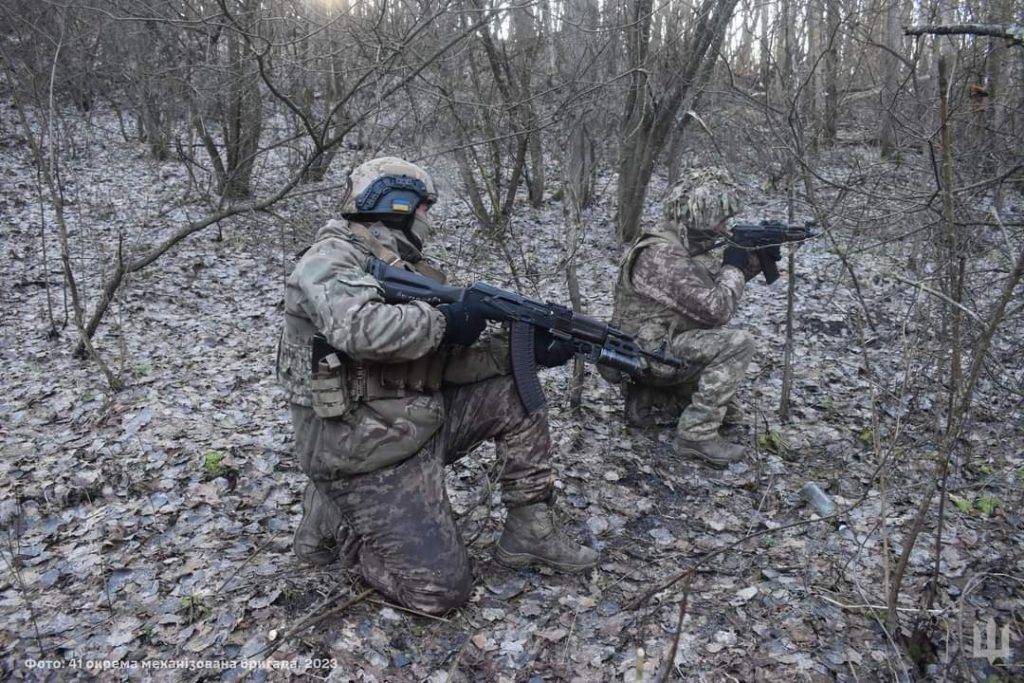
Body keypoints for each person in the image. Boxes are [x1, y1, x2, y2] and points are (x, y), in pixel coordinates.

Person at [276, 157, 597, 615]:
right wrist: (445, 321)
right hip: (356, 449)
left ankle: (531, 529)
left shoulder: (411, 269)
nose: (428, 218)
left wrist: (520, 353)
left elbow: (441, 363)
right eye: (424, 208)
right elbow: (359, 329)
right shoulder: (329, 260)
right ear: (396, 205)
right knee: (440, 593)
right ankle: (343, 526)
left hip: (411, 423)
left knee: (514, 391)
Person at [606, 167, 763, 468]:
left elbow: (699, 294)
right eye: (721, 219)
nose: (725, 226)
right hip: (646, 354)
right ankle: (695, 435)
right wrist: (735, 268)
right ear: (702, 216)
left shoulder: (678, 242)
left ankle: (651, 397)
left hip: (654, 344)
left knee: (733, 417)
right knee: (738, 343)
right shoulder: (663, 254)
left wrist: (750, 263)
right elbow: (717, 310)